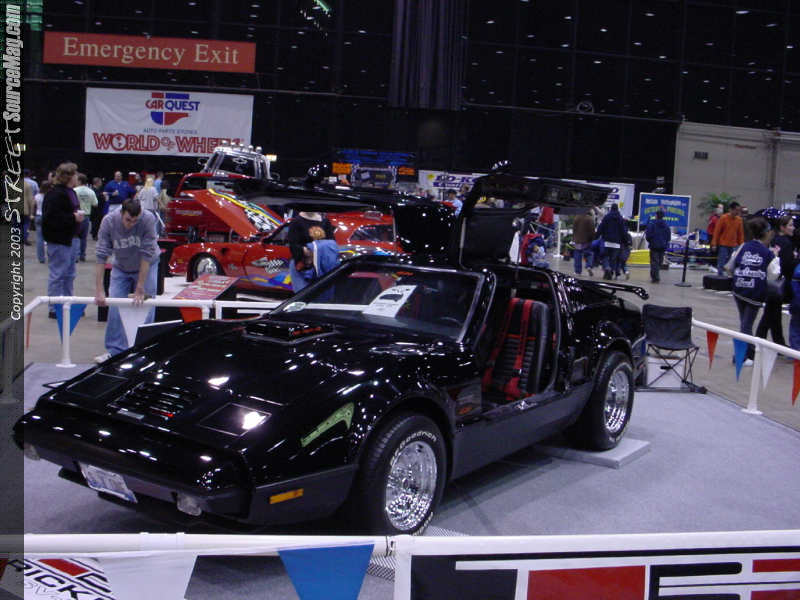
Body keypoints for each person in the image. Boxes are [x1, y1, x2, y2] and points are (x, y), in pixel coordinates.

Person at [94, 198, 160, 362]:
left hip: (147, 264)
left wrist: (140, 286)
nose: (131, 224)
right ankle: (115, 351)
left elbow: (147, 254)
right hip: (121, 266)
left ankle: (144, 351)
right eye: (128, 220)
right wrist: (99, 289)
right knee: (115, 305)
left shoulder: (148, 219)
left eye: (135, 221)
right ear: (121, 213)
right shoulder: (109, 221)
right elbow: (101, 255)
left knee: (147, 304)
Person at [730, 216, 779, 366]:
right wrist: (776, 257)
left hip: (739, 289)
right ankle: (742, 356)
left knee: (744, 323)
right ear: (766, 233)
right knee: (746, 324)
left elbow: (732, 265)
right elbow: (774, 275)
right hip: (755, 292)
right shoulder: (768, 253)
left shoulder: (743, 246)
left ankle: (748, 353)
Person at [42, 162, 84, 319]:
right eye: (75, 174)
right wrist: (73, 217)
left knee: (69, 275)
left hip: (71, 238)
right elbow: (50, 218)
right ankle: (54, 307)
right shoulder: (55, 194)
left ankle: (67, 303)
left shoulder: (70, 192)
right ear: (68, 177)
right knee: (58, 274)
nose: (77, 177)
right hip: (59, 240)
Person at [755, 215, 795, 347]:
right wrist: (795, 260)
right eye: (790, 225)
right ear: (782, 227)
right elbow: (787, 266)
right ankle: (758, 341)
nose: (793, 228)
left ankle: (779, 342)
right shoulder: (786, 243)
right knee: (769, 314)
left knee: (774, 313)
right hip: (779, 282)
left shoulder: (773, 240)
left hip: (771, 280)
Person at [288, 211, 336, 293]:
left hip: (321, 266)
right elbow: (294, 246)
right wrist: (311, 251)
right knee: (303, 295)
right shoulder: (296, 222)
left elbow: (332, 244)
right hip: (301, 266)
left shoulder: (325, 221)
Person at [711, 201, 744, 276]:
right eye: (736, 210)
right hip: (723, 245)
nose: (737, 212)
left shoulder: (739, 220)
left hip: (734, 246)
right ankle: (720, 277)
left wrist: (741, 246)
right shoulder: (723, 218)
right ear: (731, 209)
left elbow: (740, 234)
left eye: (738, 210)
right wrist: (714, 244)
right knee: (721, 263)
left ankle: (729, 278)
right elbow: (716, 232)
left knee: (732, 264)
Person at [596, 204, 627, 280]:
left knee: (605, 256)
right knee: (613, 259)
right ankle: (611, 272)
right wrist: (626, 241)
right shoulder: (620, 218)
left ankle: (607, 267)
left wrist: (596, 236)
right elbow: (623, 231)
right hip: (617, 243)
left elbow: (601, 227)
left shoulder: (607, 217)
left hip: (607, 241)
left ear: (611, 209)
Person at [73, 173, 97, 262]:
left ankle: (76, 255)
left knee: (75, 236)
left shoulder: (74, 190)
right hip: (86, 215)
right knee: (83, 237)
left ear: (79, 181)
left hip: (76, 215)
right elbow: (95, 204)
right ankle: (82, 255)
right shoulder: (90, 191)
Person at [645, 209, 671, 283]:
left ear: (656, 216)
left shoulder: (652, 224)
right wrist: (665, 242)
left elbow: (648, 235)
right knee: (659, 261)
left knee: (654, 262)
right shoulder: (666, 226)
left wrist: (651, 241)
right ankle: (655, 275)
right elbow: (668, 237)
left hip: (654, 246)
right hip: (662, 246)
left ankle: (655, 277)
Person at [572, 209, 595, 276]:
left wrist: (574, 238)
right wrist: (591, 239)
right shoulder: (590, 219)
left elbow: (574, 229)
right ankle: (589, 266)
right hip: (586, 241)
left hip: (577, 240)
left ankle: (577, 271)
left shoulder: (576, 217)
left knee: (577, 255)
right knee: (589, 254)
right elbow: (592, 231)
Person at [33, 181, 49, 263]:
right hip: (48, 217)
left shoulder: (37, 196)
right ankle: (51, 256)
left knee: (40, 238)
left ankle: (41, 258)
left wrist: (32, 214)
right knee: (50, 237)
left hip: (38, 215)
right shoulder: (49, 196)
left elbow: (34, 206)